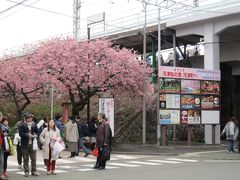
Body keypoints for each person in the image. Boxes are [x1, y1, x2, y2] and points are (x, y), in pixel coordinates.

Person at [0, 113, 7, 180]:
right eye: (1, 116)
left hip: (1, 144)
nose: (1, 117)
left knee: (1, 160)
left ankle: (1, 174)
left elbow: (7, 129)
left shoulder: (1, 125)